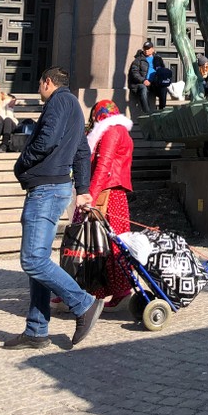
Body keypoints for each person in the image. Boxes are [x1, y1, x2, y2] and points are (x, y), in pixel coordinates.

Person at [5, 66, 103, 350]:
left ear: (47, 82)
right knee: (39, 261)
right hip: (55, 187)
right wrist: (83, 190)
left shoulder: (59, 100)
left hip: (46, 189)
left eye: (39, 84)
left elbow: (46, 140)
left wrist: (22, 163)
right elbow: (82, 152)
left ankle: (83, 303)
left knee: (33, 260)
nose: (39, 89)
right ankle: (36, 330)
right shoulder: (73, 106)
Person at [82, 98, 134, 308]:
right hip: (112, 193)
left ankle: (118, 290)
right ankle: (103, 289)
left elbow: (104, 166)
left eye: (94, 115)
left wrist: (91, 198)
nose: (93, 120)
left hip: (107, 194)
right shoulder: (119, 130)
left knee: (108, 244)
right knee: (106, 243)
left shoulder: (111, 132)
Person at [127, 41, 170, 114]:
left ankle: (161, 111)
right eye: (145, 49)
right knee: (143, 88)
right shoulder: (138, 60)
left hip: (154, 83)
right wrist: (143, 80)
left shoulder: (158, 59)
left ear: (152, 49)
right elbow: (134, 73)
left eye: (148, 49)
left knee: (164, 89)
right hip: (140, 83)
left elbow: (162, 71)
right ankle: (147, 113)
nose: (146, 50)